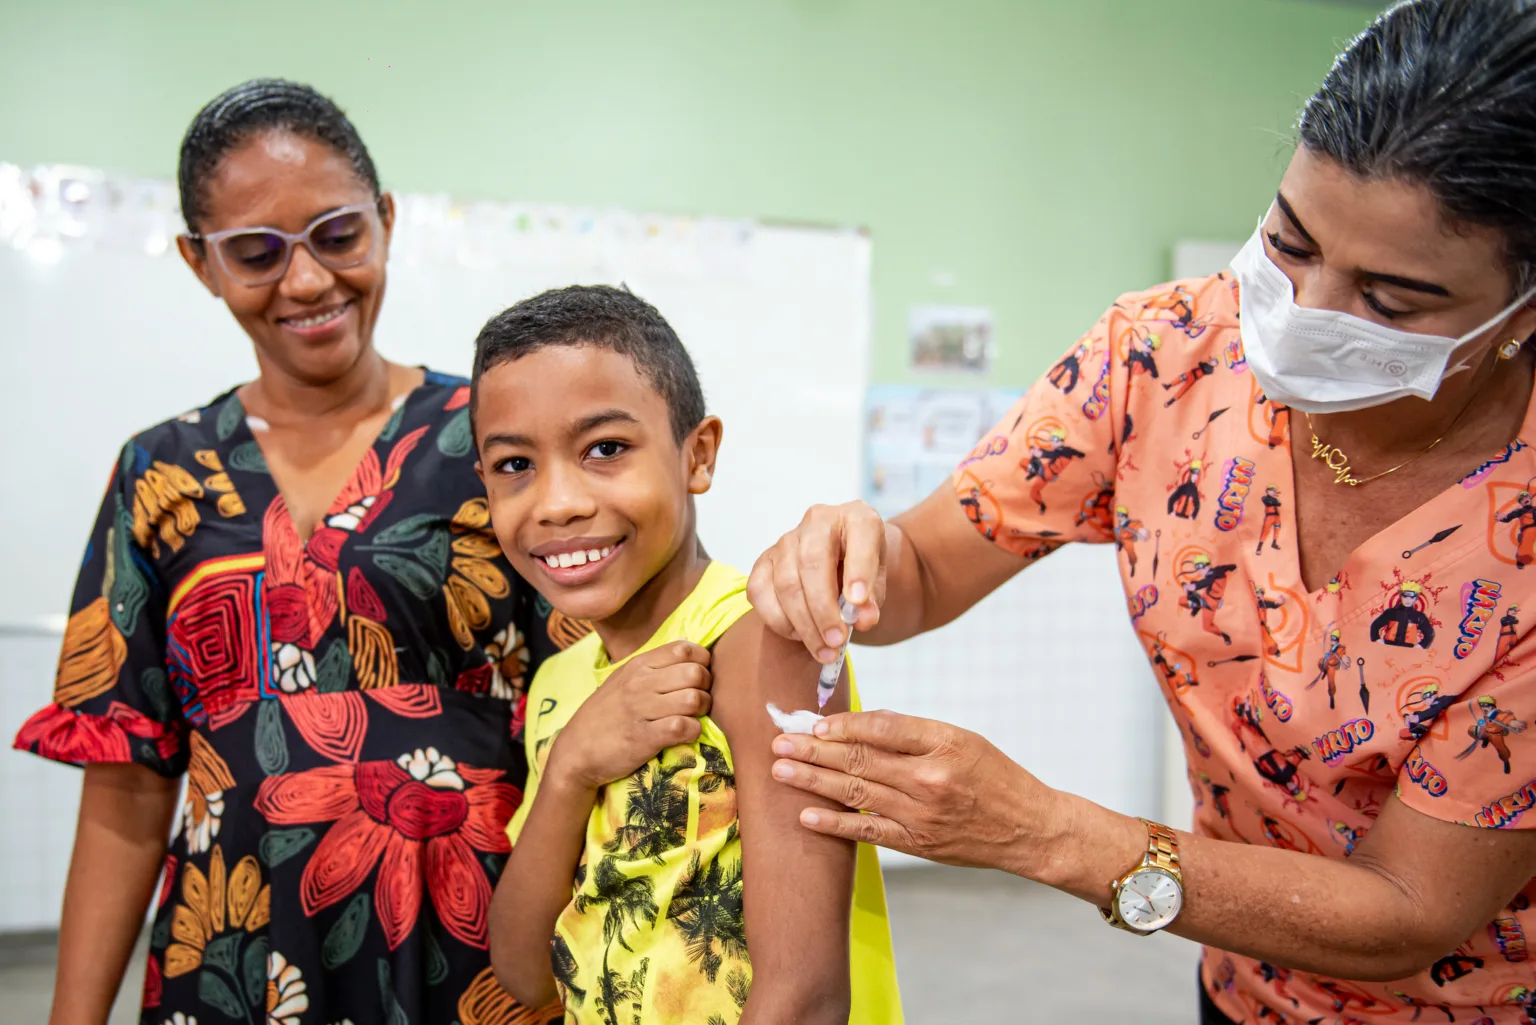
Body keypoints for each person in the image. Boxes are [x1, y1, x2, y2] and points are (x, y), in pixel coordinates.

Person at [746, 2, 1536, 1021]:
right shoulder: (1165, 354)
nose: (1303, 313)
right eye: (1288, 241)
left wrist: (1043, 830)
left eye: (1389, 302)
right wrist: (853, 556)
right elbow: (925, 571)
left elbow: (1409, 906)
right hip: (1239, 982)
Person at [11, 80, 706, 1025]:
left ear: (383, 219)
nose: (305, 282)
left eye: (336, 235)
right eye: (255, 253)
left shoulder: (494, 440)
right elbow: (130, 785)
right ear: (199, 262)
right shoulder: (161, 475)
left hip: (478, 946)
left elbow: (633, 652)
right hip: (236, 948)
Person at [474, 287, 900, 1023]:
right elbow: (520, 970)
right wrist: (573, 763)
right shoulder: (558, 682)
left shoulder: (762, 637)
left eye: (605, 449)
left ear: (697, 454)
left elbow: (804, 995)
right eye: (515, 464)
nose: (557, 502)